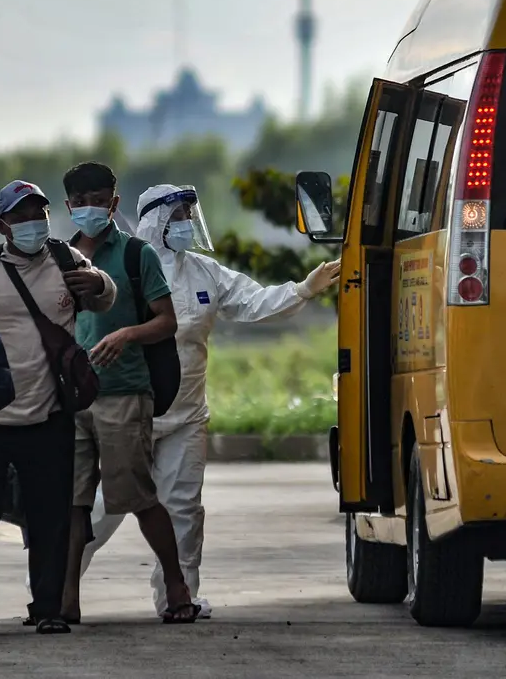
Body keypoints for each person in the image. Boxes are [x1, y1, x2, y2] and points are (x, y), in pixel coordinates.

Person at [75, 183, 341, 619]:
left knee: (184, 509)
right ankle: (53, 586)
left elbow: (253, 302)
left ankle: (179, 598)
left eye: (187, 216)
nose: (185, 224)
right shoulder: (126, 270)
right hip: (129, 413)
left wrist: (303, 289)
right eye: (177, 216)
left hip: (187, 416)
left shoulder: (204, 273)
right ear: (155, 222)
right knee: (103, 509)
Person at [0, 179, 116, 636]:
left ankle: (48, 607)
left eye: (40, 213)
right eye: (21, 216)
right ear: (2, 224)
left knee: (50, 518)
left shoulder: (65, 259)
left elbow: (103, 294)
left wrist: (98, 281)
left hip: (49, 415)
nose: (34, 222)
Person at [57, 162, 198, 624]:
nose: (90, 209)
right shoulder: (56, 258)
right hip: (70, 397)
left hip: (124, 393)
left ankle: (176, 587)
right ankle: (65, 600)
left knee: (137, 496)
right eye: (81, 202)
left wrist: (127, 336)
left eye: (100, 200)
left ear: (114, 204)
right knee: (73, 503)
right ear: (68, 206)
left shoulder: (137, 254)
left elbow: (167, 321)